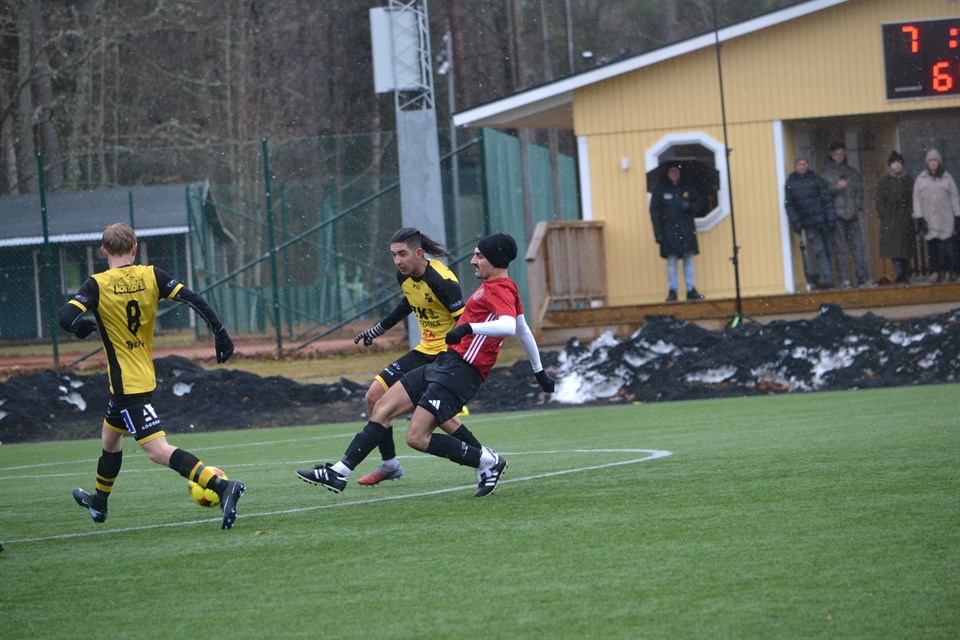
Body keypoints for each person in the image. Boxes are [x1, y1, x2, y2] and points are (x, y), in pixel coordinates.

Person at [297, 233, 556, 498]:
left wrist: (467, 327)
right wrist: (539, 371)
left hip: (462, 371)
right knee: (381, 406)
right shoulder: (495, 287)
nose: (472, 261)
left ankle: (487, 461)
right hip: (445, 361)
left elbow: (509, 326)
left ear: (495, 259)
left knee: (416, 438)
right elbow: (523, 330)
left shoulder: (499, 288)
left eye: (479, 256)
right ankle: (339, 472)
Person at [60, 223, 245, 529]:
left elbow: (66, 317)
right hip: (141, 377)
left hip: (127, 386)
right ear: (135, 248)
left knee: (158, 451)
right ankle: (99, 502)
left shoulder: (97, 284)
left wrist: (79, 327)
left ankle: (223, 487)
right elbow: (194, 298)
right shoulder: (152, 275)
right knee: (110, 438)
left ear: (103, 251)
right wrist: (220, 332)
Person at [351, 227, 484, 486]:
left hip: (446, 355)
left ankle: (484, 459)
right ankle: (390, 464)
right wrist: (377, 330)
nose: (397, 260)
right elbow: (409, 304)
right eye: (393, 255)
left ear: (419, 253)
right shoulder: (404, 276)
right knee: (373, 396)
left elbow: (465, 325)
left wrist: (464, 365)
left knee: (441, 417)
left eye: (402, 254)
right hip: (424, 351)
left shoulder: (442, 282)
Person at [649, 162, 705, 301]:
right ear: (667, 173)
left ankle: (691, 290)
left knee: (689, 259)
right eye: (672, 171)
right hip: (668, 231)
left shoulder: (688, 187)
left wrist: (689, 206)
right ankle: (673, 291)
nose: (674, 173)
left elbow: (700, 204)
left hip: (687, 230)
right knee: (672, 260)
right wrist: (658, 233)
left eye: (677, 171)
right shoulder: (660, 189)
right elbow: (655, 212)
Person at [821, 141, 872, 288]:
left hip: (852, 216)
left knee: (858, 248)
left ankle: (862, 278)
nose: (840, 156)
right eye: (837, 154)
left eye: (842, 153)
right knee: (840, 250)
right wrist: (837, 187)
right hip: (837, 217)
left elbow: (859, 191)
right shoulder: (825, 174)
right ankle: (845, 280)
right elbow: (823, 194)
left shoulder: (852, 172)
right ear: (831, 154)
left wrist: (857, 206)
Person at [784, 155, 836, 290]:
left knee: (827, 250)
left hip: (822, 221)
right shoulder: (790, 184)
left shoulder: (817, 180)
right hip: (808, 223)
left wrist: (831, 218)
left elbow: (827, 200)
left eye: (804, 164)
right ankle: (825, 279)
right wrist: (796, 221)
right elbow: (789, 205)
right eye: (800, 164)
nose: (802, 167)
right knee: (819, 251)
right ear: (796, 166)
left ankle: (824, 278)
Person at [913, 148, 960, 283]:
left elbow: (954, 197)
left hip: (946, 219)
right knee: (932, 248)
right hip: (929, 220)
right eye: (931, 161)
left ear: (938, 163)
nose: (933, 163)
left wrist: (957, 215)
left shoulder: (947, 178)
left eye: (935, 161)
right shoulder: (921, 179)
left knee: (947, 249)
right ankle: (934, 272)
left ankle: (948, 272)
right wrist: (919, 218)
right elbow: (916, 200)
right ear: (927, 163)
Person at [874, 151, 916, 285]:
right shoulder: (885, 182)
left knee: (905, 250)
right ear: (890, 165)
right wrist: (884, 213)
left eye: (899, 163)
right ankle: (900, 274)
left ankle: (904, 275)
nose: (897, 165)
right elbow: (879, 199)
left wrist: (910, 212)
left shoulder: (908, 180)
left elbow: (913, 198)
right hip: (890, 220)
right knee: (894, 251)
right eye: (894, 163)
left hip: (905, 219)